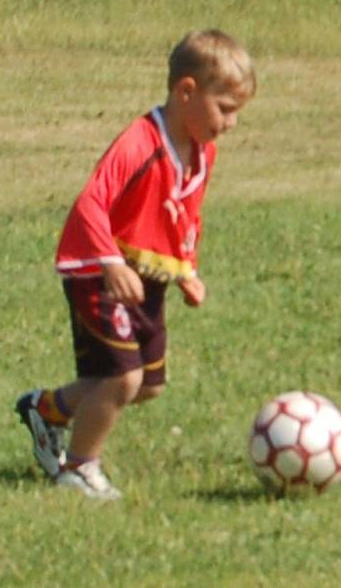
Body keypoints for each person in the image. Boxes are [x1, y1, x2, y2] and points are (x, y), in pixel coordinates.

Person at [15, 29, 256, 499]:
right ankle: (80, 468)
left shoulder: (203, 152)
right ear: (186, 91)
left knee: (146, 385)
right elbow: (91, 202)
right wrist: (110, 263)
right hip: (99, 273)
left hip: (146, 279)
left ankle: (48, 410)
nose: (230, 123)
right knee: (120, 378)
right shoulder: (138, 142)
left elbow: (184, 213)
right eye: (224, 109)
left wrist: (186, 268)